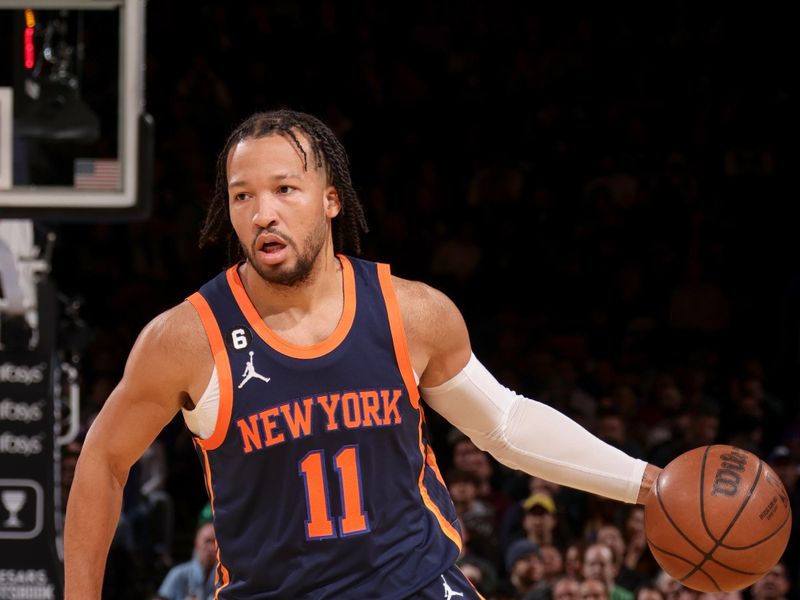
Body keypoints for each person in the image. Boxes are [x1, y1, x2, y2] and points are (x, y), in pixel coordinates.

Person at [64, 109, 661, 599]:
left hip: (417, 584)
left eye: (284, 189)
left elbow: (504, 425)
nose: (261, 211)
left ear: (330, 199)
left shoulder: (412, 312)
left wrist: (648, 483)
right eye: (241, 195)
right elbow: (103, 459)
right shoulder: (187, 338)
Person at [156, 522, 216, 600]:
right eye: (207, 541)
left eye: (215, 542)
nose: (212, 548)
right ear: (196, 544)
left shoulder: (225, 578)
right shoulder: (178, 574)